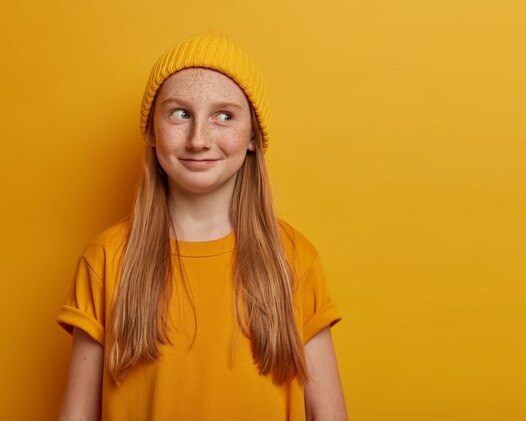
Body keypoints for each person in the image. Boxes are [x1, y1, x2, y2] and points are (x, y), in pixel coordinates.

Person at [56, 31, 348, 421]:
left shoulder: (294, 260)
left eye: (224, 116)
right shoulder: (106, 259)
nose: (198, 139)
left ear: (251, 137)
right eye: (180, 113)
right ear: (152, 133)